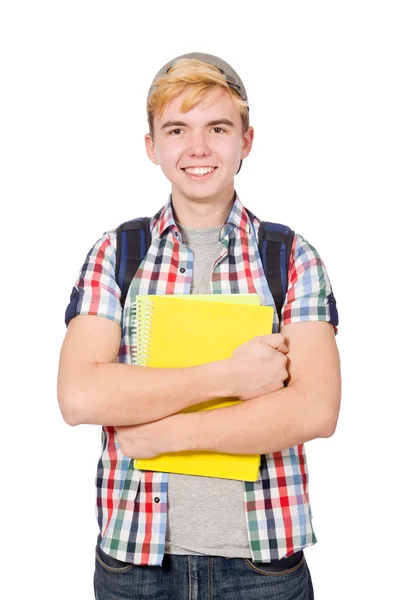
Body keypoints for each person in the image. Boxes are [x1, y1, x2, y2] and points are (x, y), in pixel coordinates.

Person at [57, 52, 341, 600]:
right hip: (135, 567)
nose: (199, 148)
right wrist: (231, 377)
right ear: (152, 147)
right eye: (177, 129)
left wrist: (164, 434)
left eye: (217, 127)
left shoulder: (290, 257)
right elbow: (79, 394)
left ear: (246, 141)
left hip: (263, 570)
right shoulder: (118, 254)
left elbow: (316, 409)